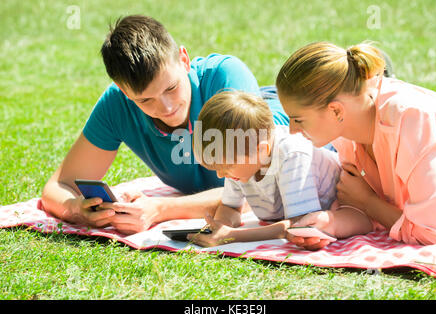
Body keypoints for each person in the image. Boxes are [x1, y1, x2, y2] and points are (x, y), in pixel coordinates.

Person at [41, 15, 289, 235]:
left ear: (184, 59)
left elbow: (256, 186)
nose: (167, 108)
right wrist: (77, 210)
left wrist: (160, 209)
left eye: (171, 88)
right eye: (145, 100)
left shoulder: (224, 76)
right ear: (123, 91)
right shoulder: (116, 104)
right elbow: (58, 186)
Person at [276, 41, 436, 250]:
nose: (292, 130)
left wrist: (369, 202)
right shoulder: (346, 131)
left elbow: (435, 233)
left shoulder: (411, 120)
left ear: (336, 111)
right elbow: (367, 212)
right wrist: (330, 223)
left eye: (298, 120)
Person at [187, 90, 373, 247]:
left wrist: (233, 236)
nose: (220, 174)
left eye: (226, 167)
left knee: (348, 221)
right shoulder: (240, 160)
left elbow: (298, 224)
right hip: (314, 216)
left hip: (351, 202)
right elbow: (231, 208)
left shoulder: (291, 154)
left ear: (261, 150)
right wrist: (220, 227)